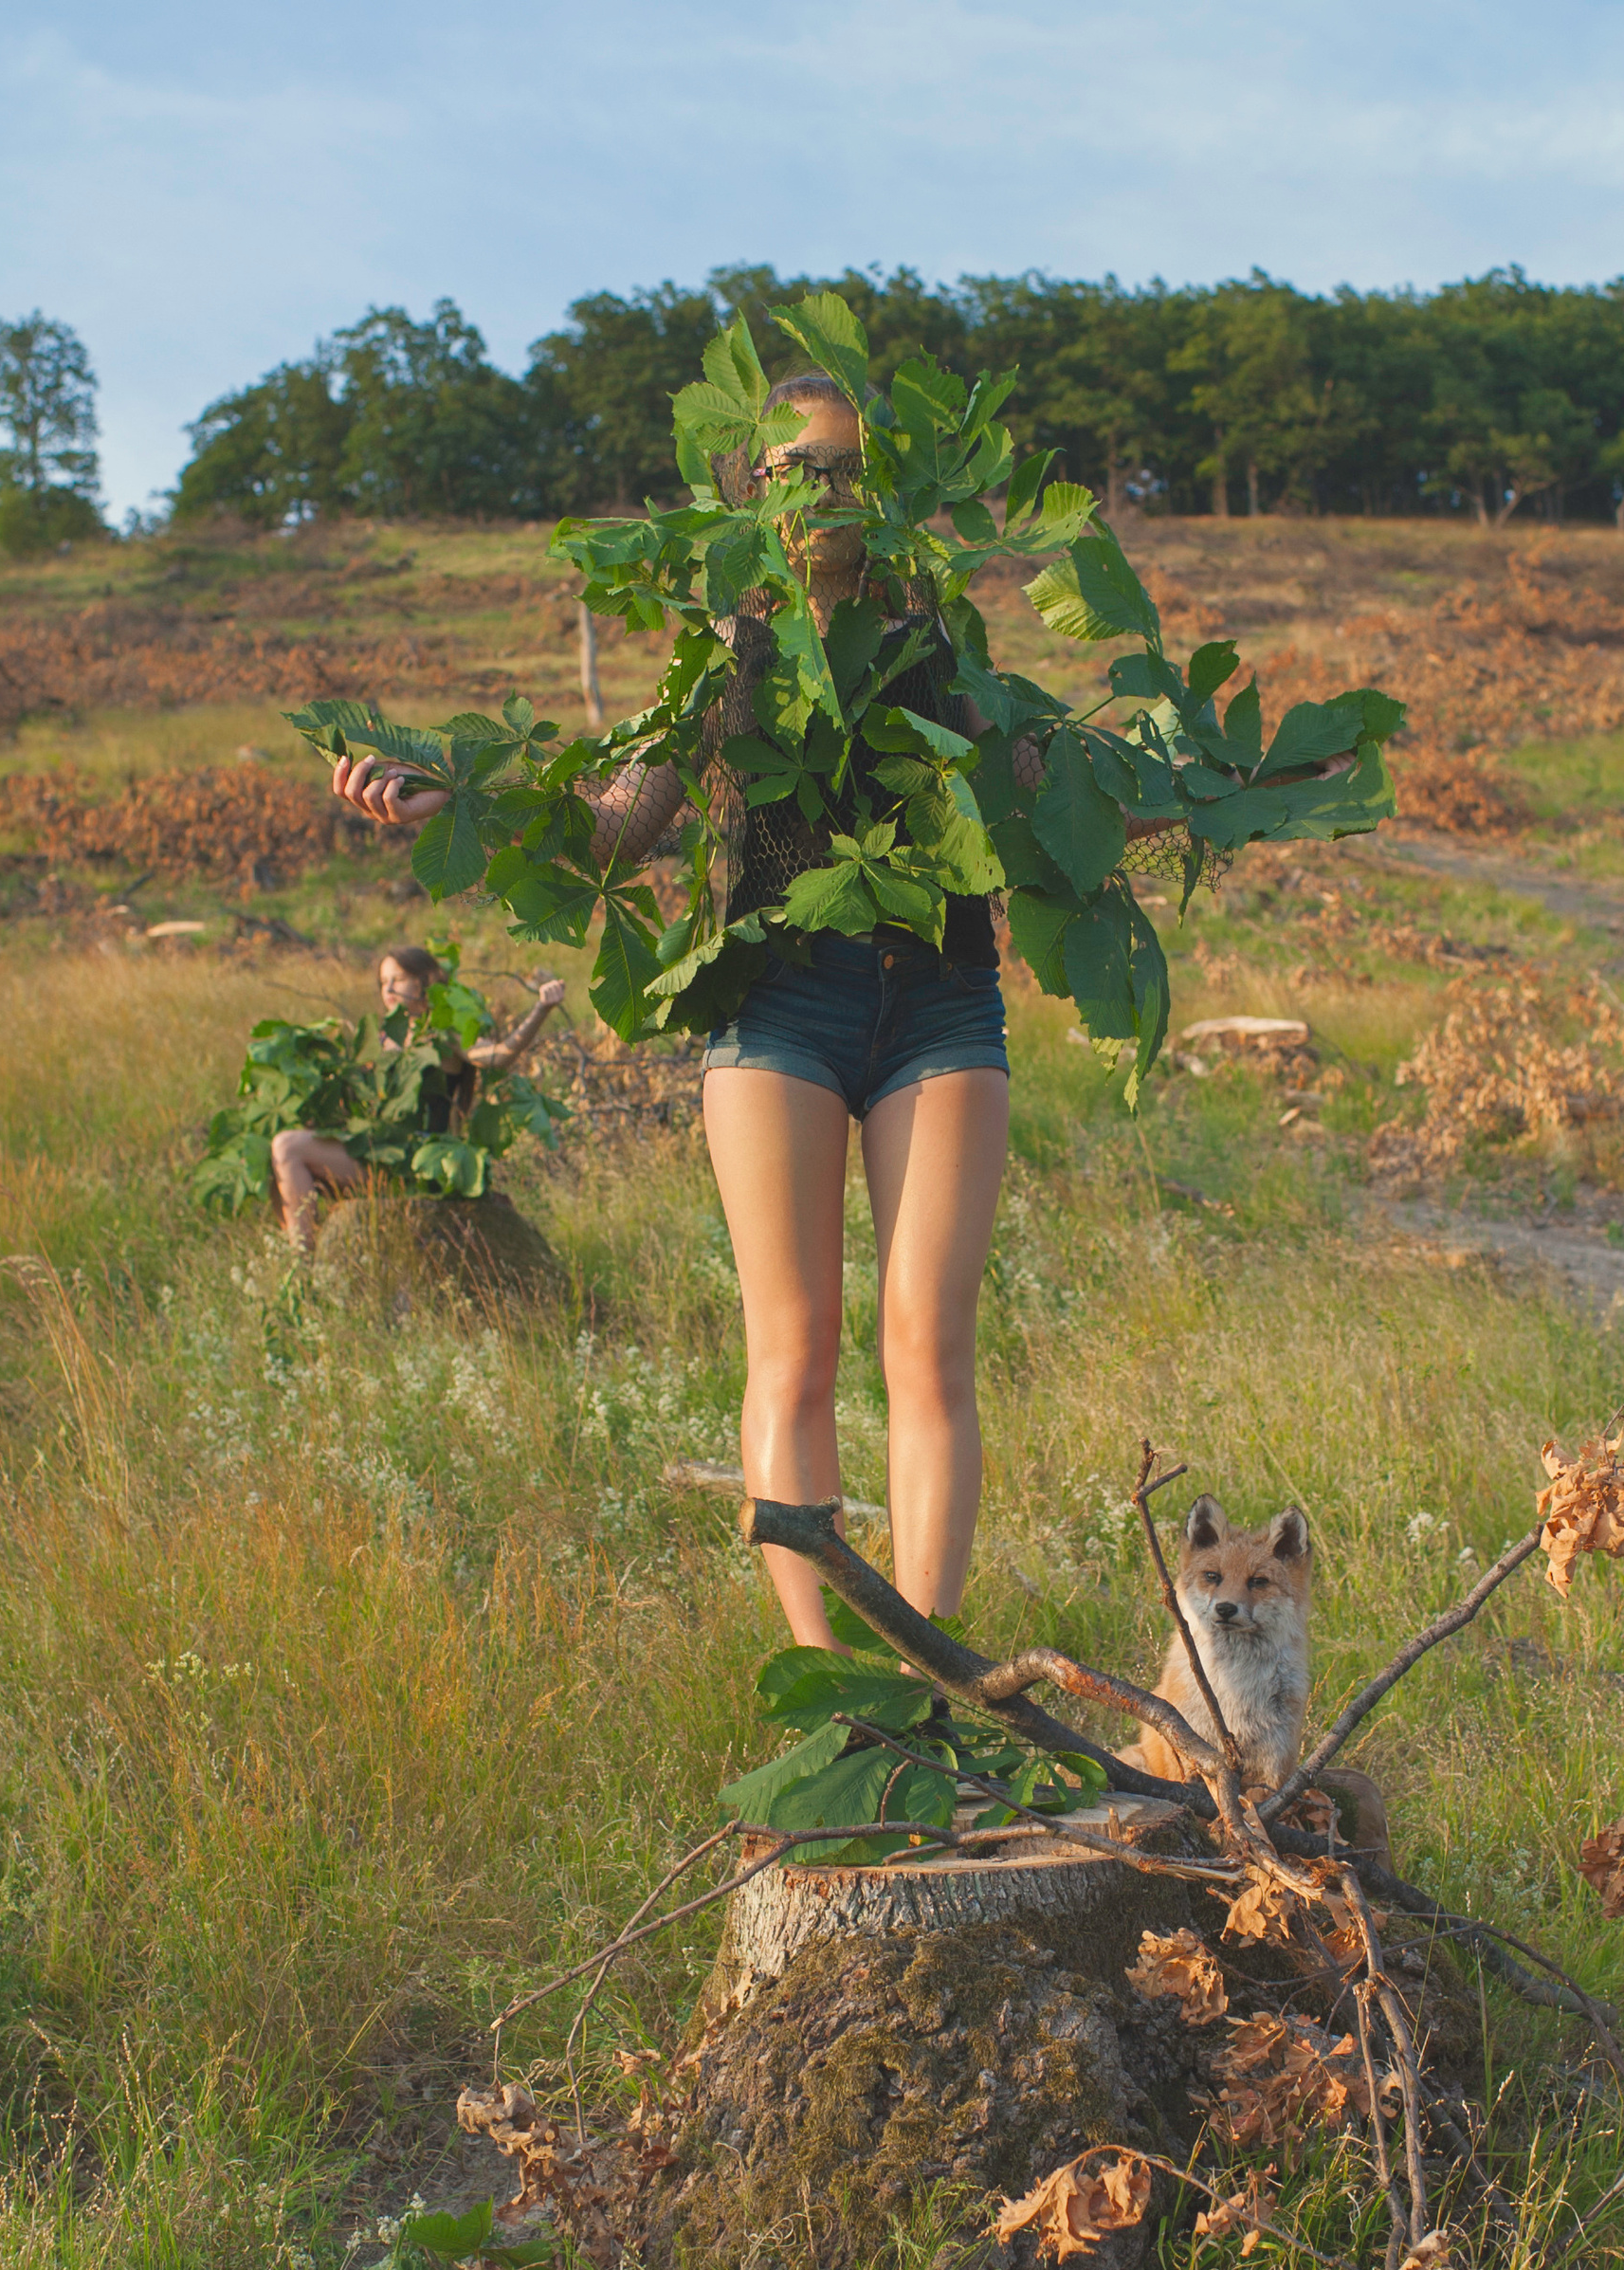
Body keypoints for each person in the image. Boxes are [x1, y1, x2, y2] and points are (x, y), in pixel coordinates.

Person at [333, 378, 1051, 1650]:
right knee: (797, 1347)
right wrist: (457, 804)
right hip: (777, 1004)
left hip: (942, 1000)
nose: (824, 496)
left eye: (845, 471)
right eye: (794, 472)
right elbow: (613, 826)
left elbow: (1052, 803)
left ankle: (931, 1673)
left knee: (928, 1344)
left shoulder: (947, 658)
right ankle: (832, 1677)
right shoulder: (725, 661)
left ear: (886, 493)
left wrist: (1239, 797)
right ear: (751, 498)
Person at [272, 946, 566, 1250]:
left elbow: (497, 1056)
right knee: (284, 1150)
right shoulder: (385, 1038)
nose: (387, 988)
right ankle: (301, 1264)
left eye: (397, 979)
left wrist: (541, 1010)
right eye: (382, 981)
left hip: (419, 1159)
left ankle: (303, 1264)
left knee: (288, 1146)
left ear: (425, 980)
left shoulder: (443, 1032)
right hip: (379, 1150)